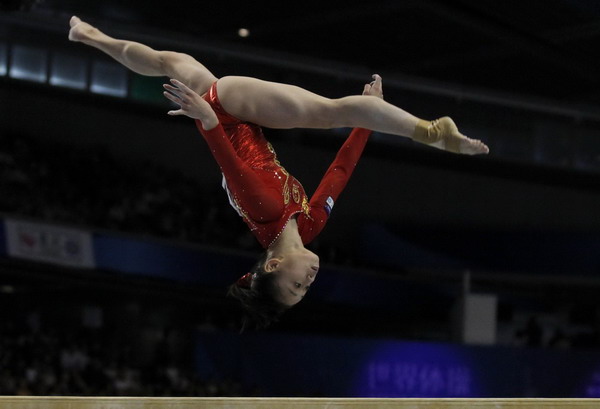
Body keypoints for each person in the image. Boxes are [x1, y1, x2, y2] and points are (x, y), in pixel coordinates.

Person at [68, 16, 489, 328]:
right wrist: (368, 120)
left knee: (327, 113)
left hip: (226, 111)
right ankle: (89, 35)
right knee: (167, 61)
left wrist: (207, 120)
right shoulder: (310, 223)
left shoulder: (265, 212)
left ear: (272, 266)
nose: (308, 281)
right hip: (238, 117)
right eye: (305, 290)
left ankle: (431, 132)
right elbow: (340, 170)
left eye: (296, 286)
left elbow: (230, 166)